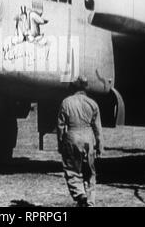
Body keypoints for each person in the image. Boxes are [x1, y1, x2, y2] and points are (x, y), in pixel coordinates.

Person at [57, 76, 104, 207]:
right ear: (85, 88)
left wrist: (61, 143)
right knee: (90, 171)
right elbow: (97, 128)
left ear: (73, 87)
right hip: (89, 138)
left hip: (72, 136)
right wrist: (100, 146)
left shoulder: (66, 102)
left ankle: (80, 194)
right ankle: (90, 201)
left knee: (72, 169)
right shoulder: (93, 103)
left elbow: (60, 126)